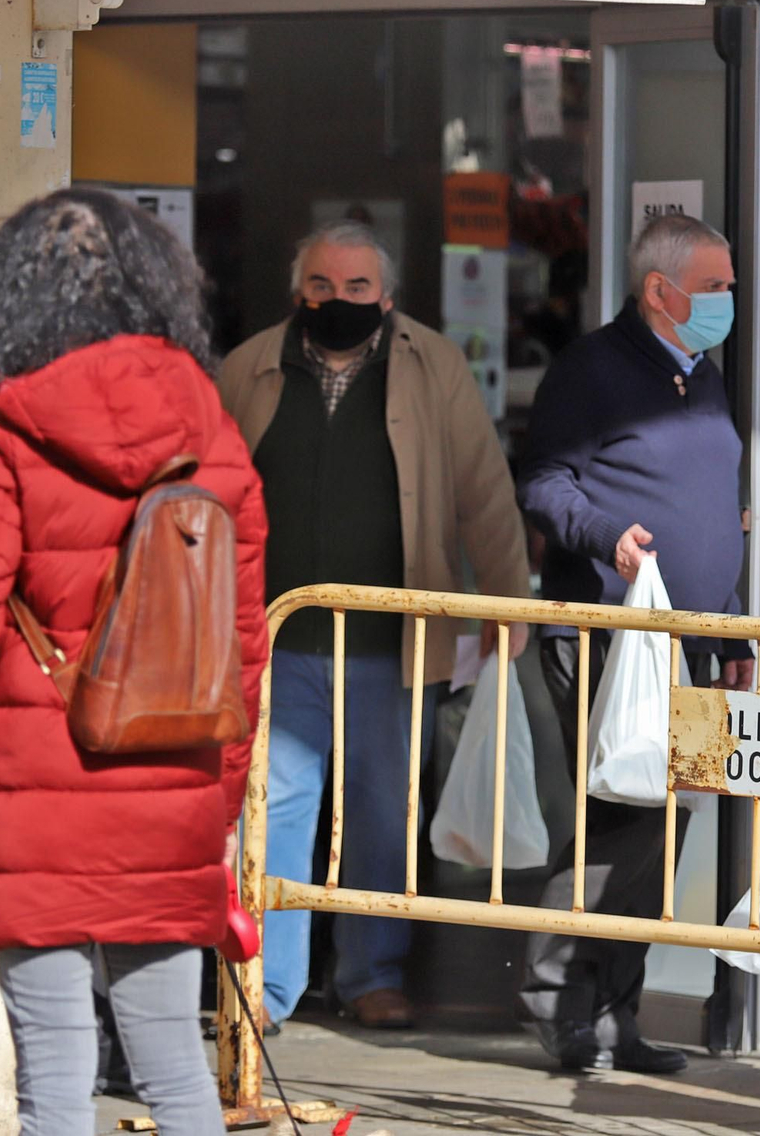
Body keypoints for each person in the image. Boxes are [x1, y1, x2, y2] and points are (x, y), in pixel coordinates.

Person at [0, 188, 270, 1136]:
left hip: (32, 795)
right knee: (177, 1076)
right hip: (170, 788)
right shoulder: (216, 436)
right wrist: (217, 797)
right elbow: (242, 651)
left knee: (57, 1079)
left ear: (13, 298)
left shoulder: (4, 430)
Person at [218, 219, 532, 1031]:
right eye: (322, 285)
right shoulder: (248, 368)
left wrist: (505, 601)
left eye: (357, 287)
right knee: (275, 815)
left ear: (386, 295)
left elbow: (483, 490)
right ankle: (268, 986)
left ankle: (372, 977)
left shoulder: (434, 365)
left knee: (380, 814)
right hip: (277, 641)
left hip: (393, 645)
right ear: (300, 291)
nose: (338, 299)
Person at [514, 213, 754, 1074]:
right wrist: (607, 533)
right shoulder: (592, 371)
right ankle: (556, 995)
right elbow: (543, 483)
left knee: (664, 826)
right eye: (718, 285)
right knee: (623, 816)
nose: (732, 298)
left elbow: (706, 511)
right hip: (610, 633)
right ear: (662, 292)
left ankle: (617, 1014)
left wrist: (726, 616)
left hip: (686, 642)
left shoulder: (706, 378)